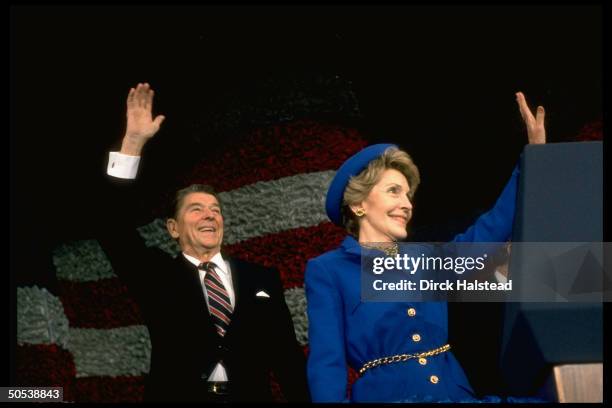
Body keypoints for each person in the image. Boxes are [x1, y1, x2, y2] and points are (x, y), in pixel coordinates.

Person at [304, 92, 546, 402]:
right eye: (394, 191)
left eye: (408, 196)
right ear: (359, 204)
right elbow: (327, 364)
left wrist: (532, 159)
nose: (406, 205)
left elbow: (488, 233)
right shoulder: (328, 270)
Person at [100, 83, 310, 402]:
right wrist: (132, 143)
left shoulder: (260, 278)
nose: (209, 216)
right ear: (173, 228)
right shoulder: (156, 276)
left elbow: (287, 359)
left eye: (215, 210)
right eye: (196, 209)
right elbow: (112, 227)